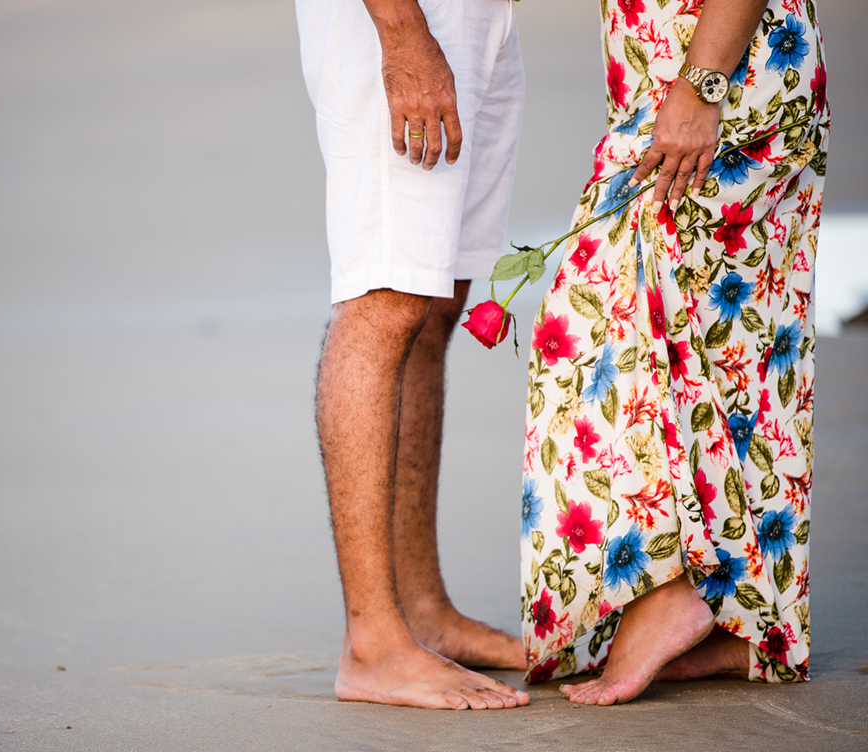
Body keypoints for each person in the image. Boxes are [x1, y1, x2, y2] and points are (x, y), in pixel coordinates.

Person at [519, 0, 828, 705]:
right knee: (737, 349)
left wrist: (701, 85)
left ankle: (678, 589)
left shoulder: (703, 88)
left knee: (597, 319)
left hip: (720, 79)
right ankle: (746, 621)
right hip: (706, 74)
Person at [296, 0, 530, 710]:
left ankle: (422, 608)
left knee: (434, 300)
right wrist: (402, 32)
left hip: (479, 18)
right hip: (404, 19)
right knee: (386, 296)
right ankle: (372, 644)